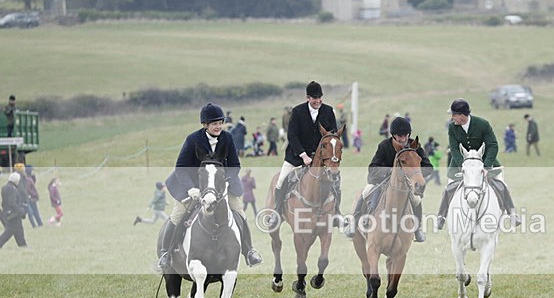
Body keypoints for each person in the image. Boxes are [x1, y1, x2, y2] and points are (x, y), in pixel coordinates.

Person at [157, 103, 262, 270]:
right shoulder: (193, 140)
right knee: (178, 215)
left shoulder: (227, 138)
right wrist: (191, 189)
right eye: (214, 124)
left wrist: (227, 181)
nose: (218, 126)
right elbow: (181, 167)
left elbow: (235, 165)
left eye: (220, 122)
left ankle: (249, 251)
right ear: (205, 125)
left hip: (222, 185)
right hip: (194, 186)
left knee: (240, 214)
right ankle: (166, 253)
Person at [266, 81, 342, 230]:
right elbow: (292, 135)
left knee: (336, 180)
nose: (318, 101)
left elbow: (332, 134)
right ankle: (276, 212)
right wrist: (304, 155)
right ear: (308, 98)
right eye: (315, 98)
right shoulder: (298, 111)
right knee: (281, 180)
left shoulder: (328, 111)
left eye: (320, 97)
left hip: (321, 159)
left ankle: (337, 213)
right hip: (296, 156)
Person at [435, 99, 522, 229]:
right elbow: (453, 148)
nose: (452, 118)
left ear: (462, 115)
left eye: (454, 115)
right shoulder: (452, 127)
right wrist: (462, 164)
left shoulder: (483, 124)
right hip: (461, 164)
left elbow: (493, 145)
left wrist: (486, 166)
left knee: (502, 185)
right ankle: (441, 216)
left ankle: (512, 214)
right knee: (449, 188)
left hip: (486, 161)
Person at [345, 116, 431, 242]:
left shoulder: (414, 146)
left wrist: (413, 173)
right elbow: (373, 168)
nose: (403, 139)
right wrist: (391, 172)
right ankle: (354, 222)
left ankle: (417, 229)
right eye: (399, 136)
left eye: (405, 135)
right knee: (365, 192)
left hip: (405, 185)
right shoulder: (384, 146)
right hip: (381, 182)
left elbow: (428, 167)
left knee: (416, 199)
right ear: (394, 135)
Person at [0, 172, 27, 248]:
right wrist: (21, 211)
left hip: (8, 213)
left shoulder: (4, 187)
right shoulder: (12, 189)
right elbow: (12, 203)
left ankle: (23, 245)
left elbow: (4, 202)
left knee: (19, 230)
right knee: (8, 232)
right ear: (16, 180)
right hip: (13, 214)